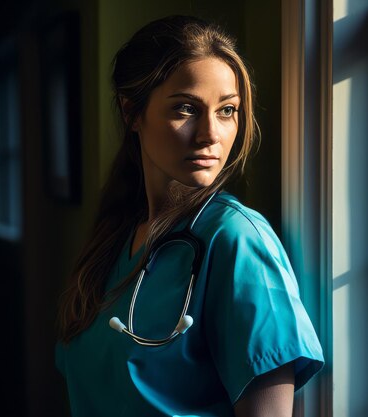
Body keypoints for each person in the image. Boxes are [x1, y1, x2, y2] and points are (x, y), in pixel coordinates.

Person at [55, 15, 324, 417]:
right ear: (132, 112)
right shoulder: (116, 238)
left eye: (227, 110)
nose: (210, 134)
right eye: (186, 109)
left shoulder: (237, 239)